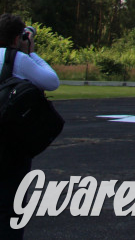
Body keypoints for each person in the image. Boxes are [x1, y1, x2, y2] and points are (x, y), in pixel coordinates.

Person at [0, 15, 59, 240]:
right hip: (11, 145)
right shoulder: (16, 59)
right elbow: (51, 81)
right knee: (11, 210)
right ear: (18, 38)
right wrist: (31, 52)